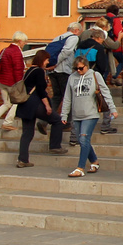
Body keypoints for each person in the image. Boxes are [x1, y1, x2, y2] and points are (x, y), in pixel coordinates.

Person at [59, 50, 116, 177]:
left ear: (86, 66)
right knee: (81, 140)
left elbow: (105, 92)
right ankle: (94, 161)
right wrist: (64, 114)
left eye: (81, 68)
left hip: (91, 113)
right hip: (76, 114)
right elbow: (67, 97)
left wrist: (113, 109)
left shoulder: (95, 75)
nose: (78, 71)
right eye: (76, 68)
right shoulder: (72, 78)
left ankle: (80, 167)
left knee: (84, 138)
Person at [77, 21, 122, 132]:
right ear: (98, 38)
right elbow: (102, 65)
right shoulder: (98, 48)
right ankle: (105, 126)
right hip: (94, 76)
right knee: (105, 99)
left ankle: (74, 136)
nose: (102, 42)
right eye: (102, 40)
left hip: (78, 76)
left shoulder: (80, 45)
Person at [16, 50, 56, 167]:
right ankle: (55, 146)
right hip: (34, 104)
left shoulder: (29, 71)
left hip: (25, 105)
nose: (48, 62)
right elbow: (40, 91)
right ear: (42, 59)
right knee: (56, 120)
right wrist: (47, 106)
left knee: (27, 133)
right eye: (47, 60)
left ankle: (22, 159)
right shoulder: (39, 71)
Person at [0, 32, 26, 137]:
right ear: (20, 41)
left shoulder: (4, 50)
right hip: (11, 82)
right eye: (24, 42)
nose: (24, 44)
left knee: (7, 103)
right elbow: (17, 69)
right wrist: (19, 84)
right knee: (17, 101)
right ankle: (7, 123)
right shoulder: (16, 52)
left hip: (1, 81)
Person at [47, 22, 80, 154]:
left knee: (56, 96)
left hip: (53, 73)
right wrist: (55, 63)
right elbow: (66, 52)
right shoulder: (73, 38)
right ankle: (66, 122)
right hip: (63, 71)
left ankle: (45, 120)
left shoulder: (57, 38)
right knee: (69, 97)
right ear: (76, 30)